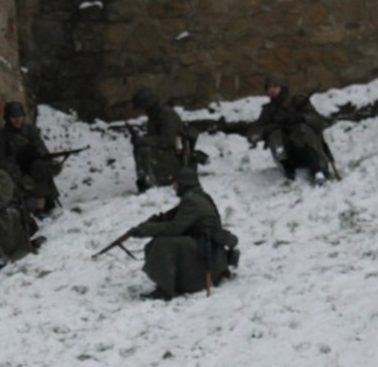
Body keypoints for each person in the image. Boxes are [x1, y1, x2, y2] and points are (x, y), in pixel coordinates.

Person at [128, 167, 238, 300]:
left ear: (184, 183)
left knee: (162, 243)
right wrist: (153, 222)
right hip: (208, 251)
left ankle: (165, 289)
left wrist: (146, 229)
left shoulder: (192, 201)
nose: (174, 187)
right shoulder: (197, 197)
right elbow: (174, 218)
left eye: (176, 183)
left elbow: (174, 228)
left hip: (208, 256)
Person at [246, 76, 335, 184]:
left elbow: (320, 122)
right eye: (269, 87)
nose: (272, 90)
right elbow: (253, 131)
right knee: (274, 135)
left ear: (282, 87)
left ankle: (317, 172)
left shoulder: (297, 101)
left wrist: (302, 117)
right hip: (288, 155)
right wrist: (267, 130)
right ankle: (289, 170)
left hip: (309, 151)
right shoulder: (269, 110)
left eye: (275, 86)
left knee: (302, 128)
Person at [0, 101, 61, 216]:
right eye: (14, 117)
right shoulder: (1, 137)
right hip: (15, 173)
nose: (17, 120)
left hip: (33, 170)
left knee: (40, 166)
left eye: (20, 117)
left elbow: (42, 150)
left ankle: (41, 206)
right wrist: (17, 159)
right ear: (7, 118)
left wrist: (35, 153)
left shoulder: (30, 131)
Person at [130, 88, 192, 193]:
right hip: (166, 155)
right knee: (140, 146)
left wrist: (144, 140)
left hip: (175, 159)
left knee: (144, 149)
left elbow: (168, 140)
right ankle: (144, 180)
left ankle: (151, 181)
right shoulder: (155, 116)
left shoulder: (166, 114)